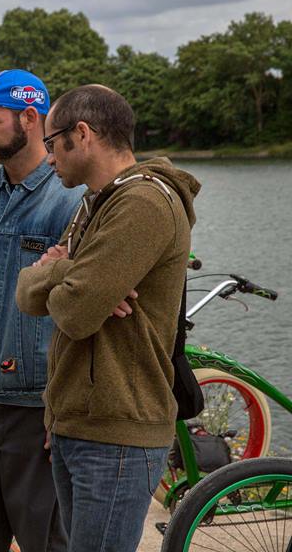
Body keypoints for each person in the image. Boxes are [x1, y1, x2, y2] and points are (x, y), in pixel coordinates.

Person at [15, 85, 200, 551]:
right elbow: (27, 296)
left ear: (83, 134)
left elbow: (75, 313)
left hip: (117, 432)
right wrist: (73, 274)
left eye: (53, 142)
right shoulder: (97, 201)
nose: (48, 155)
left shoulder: (143, 204)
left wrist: (61, 272)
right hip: (76, 422)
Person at [0, 69, 79, 552]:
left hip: (38, 413)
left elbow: (83, 316)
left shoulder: (71, 199)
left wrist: (63, 411)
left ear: (30, 117)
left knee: (49, 543)